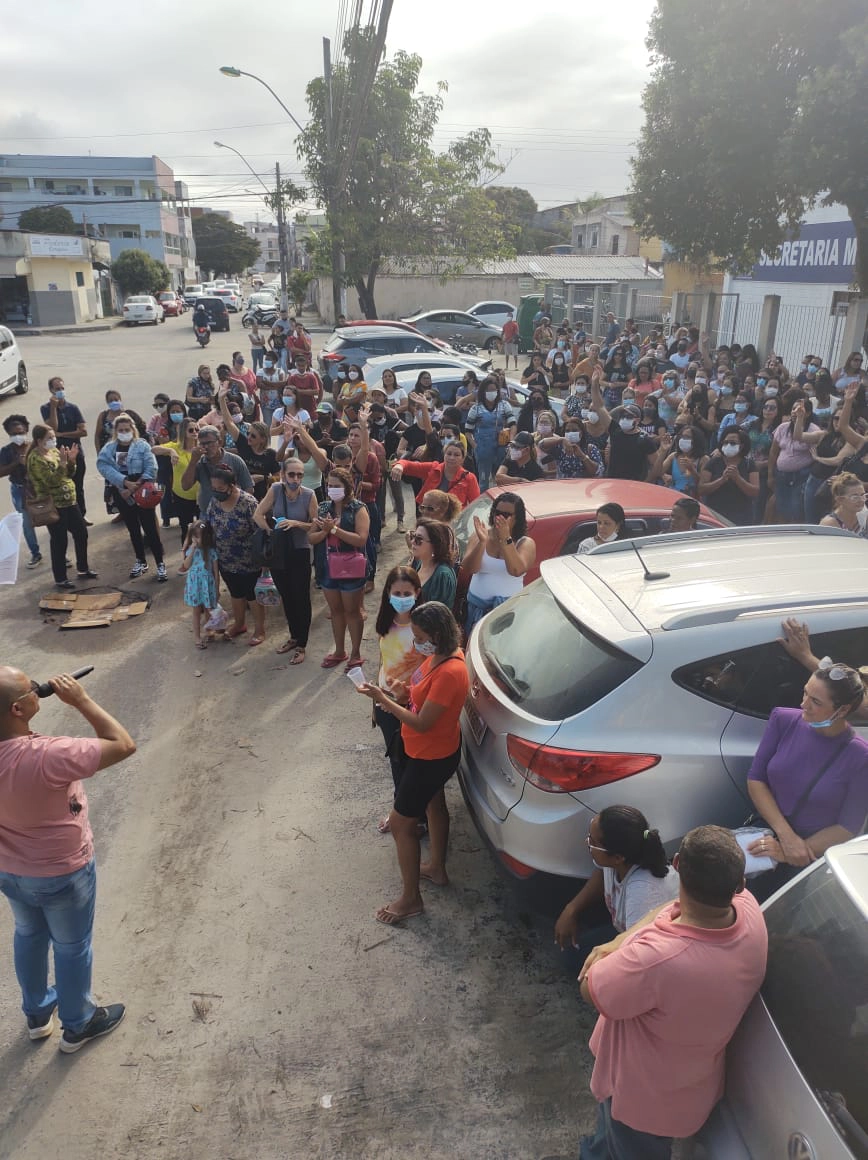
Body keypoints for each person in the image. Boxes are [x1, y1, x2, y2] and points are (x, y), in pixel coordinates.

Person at [577, 825, 768, 1159]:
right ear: (739, 883)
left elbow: (591, 988)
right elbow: (669, 909)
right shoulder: (749, 912)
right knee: (606, 1140)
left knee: (626, 1146)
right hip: (688, 1090)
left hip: (640, 1102)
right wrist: (622, 941)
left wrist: (616, 944)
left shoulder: (656, 959)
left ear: (677, 863)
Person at [0, 667, 136, 1052]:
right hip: (62, 871)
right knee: (72, 945)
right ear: (18, 709)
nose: (36, 689)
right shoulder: (47, 755)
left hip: (10, 869)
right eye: (31, 689)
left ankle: (38, 1013)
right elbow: (122, 743)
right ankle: (78, 1024)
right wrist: (81, 700)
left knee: (28, 933)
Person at [355, 602, 470, 924]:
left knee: (402, 824)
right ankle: (436, 868)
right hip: (429, 751)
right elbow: (422, 696)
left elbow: (422, 723)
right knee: (434, 806)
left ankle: (410, 899)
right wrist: (405, 692)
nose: (416, 643)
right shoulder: (439, 657)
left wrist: (384, 701)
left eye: (420, 636)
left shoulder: (451, 670)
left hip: (430, 757)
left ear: (437, 634)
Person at [746, 658, 868, 900]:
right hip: (767, 835)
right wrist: (785, 838)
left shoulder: (860, 756)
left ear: (842, 710)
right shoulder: (783, 719)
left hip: (809, 858)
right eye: (805, 693)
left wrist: (790, 851)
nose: (803, 704)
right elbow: (756, 779)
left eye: (815, 701)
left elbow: (848, 827)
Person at [554, 807, 678, 961]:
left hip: (653, 949)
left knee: (584, 966)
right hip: (626, 931)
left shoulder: (642, 894)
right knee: (573, 955)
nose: (586, 842)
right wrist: (571, 909)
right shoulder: (619, 860)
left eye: (592, 842)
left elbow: (638, 955)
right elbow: (601, 875)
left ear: (618, 857)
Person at [371, 567, 424, 833]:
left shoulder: (423, 628)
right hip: (385, 704)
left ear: (417, 593)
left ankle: (415, 818)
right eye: (396, 593)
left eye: (407, 593)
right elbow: (384, 661)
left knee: (411, 766)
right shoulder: (386, 621)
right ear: (388, 594)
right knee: (396, 762)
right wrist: (375, 702)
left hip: (410, 707)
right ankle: (402, 812)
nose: (402, 597)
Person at [253, 458, 317, 664]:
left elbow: (316, 526)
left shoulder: (309, 495)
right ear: (283, 474)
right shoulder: (276, 489)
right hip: (280, 553)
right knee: (286, 596)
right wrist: (271, 531)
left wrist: (296, 523)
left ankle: (302, 644)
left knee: (301, 599)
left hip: (300, 551)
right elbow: (258, 514)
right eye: (292, 474)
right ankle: (293, 636)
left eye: (299, 475)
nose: (295, 479)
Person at [308, 466, 370, 669]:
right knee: (336, 610)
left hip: (351, 567)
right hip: (328, 566)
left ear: (347, 487)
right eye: (329, 485)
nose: (331, 489)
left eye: (336, 486)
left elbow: (361, 540)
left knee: (352, 611)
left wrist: (334, 529)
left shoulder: (358, 508)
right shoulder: (324, 508)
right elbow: (312, 536)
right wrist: (325, 532)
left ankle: (355, 652)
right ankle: (340, 650)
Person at [96, 414, 167, 581]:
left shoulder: (142, 446)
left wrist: (137, 484)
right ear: (115, 431)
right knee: (133, 529)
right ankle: (140, 561)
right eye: (120, 430)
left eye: (127, 429)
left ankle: (160, 563)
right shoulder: (109, 448)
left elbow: (151, 467)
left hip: (143, 491)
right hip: (122, 491)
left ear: (133, 429)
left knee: (150, 528)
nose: (124, 432)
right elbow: (103, 466)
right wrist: (123, 483)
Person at [26, 425, 94, 590]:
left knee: (81, 533)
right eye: (49, 438)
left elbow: (70, 474)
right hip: (54, 505)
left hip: (70, 501)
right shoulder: (36, 459)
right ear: (39, 440)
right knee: (59, 541)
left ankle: (83, 568)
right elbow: (51, 481)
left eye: (53, 437)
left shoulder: (55, 451)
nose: (53, 440)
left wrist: (71, 461)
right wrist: (63, 463)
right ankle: (61, 578)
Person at [205, 464, 266, 646]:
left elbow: (260, 531)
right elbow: (208, 524)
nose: (217, 492)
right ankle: (239, 624)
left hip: (249, 560)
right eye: (214, 488)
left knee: (252, 595)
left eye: (220, 489)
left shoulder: (248, 502)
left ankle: (260, 629)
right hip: (225, 559)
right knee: (236, 593)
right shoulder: (215, 502)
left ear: (232, 485)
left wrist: (264, 561)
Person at [462, 493, 535, 634]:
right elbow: (470, 568)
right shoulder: (480, 535)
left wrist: (506, 538)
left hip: (506, 612)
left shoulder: (525, 543)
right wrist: (482, 542)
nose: (500, 517)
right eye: (497, 512)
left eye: (506, 514)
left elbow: (516, 570)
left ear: (517, 518)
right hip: (476, 608)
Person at [41, 377, 89, 522]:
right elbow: (52, 428)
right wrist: (53, 408)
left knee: (78, 486)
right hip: (58, 454)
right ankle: (66, 517)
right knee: (61, 485)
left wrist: (63, 434)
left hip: (75, 451)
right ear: (51, 390)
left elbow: (83, 431)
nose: (60, 391)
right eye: (57, 389)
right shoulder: (46, 408)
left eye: (62, 388)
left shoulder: (73, 408)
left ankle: (81, 515)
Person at [217, 391, 279, 502]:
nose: (249, 437)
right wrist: (221, 400)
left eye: (253, 436)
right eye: (248, 433)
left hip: (261, 499)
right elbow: (229, 423)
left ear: (263, 439)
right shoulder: (244, 445)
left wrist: (262, 478)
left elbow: (278, 478)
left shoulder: (270, 454)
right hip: (240, 497)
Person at [768, 398, 822, 522]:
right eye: (793, 409)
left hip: (801, 476)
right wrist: (770, 474)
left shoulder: (814, 430)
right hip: (781, 475)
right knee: (781, 507)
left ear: (807, 413)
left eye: (799, 409)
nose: (794, 412)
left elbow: (815, 455)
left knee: (796, 508)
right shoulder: (782, 428)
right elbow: (773, 452)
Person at [181, 425, 254, 512]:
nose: (206, 447)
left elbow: (248, 487)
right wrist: (193, 461)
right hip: (207, 514)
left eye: (209, 443)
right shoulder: (199, 463)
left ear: (219, 442)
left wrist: (238, 507)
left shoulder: (234, 460)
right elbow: (185, 486)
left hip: (232, 513)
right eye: (202, 444)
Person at [390, 441, 480, 511]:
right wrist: (399, 465)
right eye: (449, 454)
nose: (452, 458)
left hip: (454, 522)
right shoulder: (433, 468)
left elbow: (475, 504)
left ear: (462, 459)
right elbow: (409, 465)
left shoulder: (470, 478)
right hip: (429, 517)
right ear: (444, 455)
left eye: (456, 455)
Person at [0, 414, 41, 567]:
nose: (18, 436)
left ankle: (61, 555)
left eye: (20, 432)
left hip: (38, 488)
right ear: (9, 434)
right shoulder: (6, 451)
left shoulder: (34, 446)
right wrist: (16, 462)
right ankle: (35, 553)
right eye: (14, 434)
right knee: (27, 523)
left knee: (50, 518)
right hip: (19, 491)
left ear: (26, 431)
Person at [152, 417, 200, 543]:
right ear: (183, 432)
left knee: (203, 529)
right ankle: (187, 556)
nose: (195, 432)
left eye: (197, 429)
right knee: (186, 529)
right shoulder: (176, 447)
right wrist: (171, 451)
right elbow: (154, 449)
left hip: (200, 496)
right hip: (182, 496)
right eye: (191, 430)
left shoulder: (201, 449)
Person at [464, 379, 515, 490]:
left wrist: (511, 441)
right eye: (488, 390)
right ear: (483, 392)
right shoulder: (476, 409)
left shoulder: (504, 405)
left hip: (501, 447)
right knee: (483, 481)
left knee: (501, 480)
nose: (491, 392)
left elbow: (513, 424)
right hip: (483, 448)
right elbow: (468, 431)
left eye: (494, 390)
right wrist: (475, 446)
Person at [179, 520, 220, 649]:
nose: (196, 539)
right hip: (194, 584)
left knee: (209, 609)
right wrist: (191, 550)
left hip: (208, 584)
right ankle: (197, 636)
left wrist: (217, 588)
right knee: (196, 611)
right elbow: (185, 566)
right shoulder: (191, 551)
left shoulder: (212, 551)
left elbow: (216, 571)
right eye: (194, 536)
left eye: (199, 536)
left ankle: (209, 630)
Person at [407, 518, 457, 606]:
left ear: (435, 545)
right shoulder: (420, 562)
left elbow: (437, 615)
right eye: (413, 536)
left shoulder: (442, 576)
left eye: (418, 539)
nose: (412, 542)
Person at [818, 471, 868, 536]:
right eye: (855, 497)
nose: (861, 500)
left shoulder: (864, 514)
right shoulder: (829, 525)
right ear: (840, 499)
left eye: (863, 495)